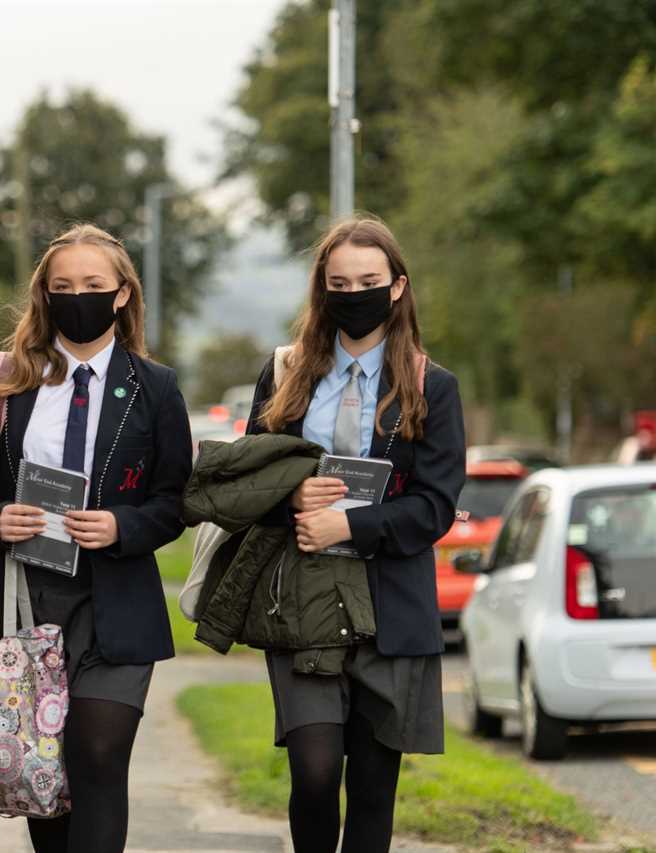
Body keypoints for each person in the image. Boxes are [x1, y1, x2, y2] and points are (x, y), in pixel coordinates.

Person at [0, 223, 193, 853]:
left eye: (92, 284)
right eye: (62, 286)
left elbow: (177, 498)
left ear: (122, 295)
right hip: (27, 596)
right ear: (43, 296)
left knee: (100, 755)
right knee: (41, 765)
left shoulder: (156, 388)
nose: (76, 295)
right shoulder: (1, 381)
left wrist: (123, 525)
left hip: (117, 604)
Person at [247, 216, 465, 853]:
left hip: (389, 606)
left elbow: (435, 509)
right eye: (339, 282)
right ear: (322, 288)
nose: (354, 293)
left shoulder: (433, 388)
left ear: (396, 287)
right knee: (314, 774)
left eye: (368, 281)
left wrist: (352, 522)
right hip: (302, 599)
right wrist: (288, 493)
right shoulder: (285, 372)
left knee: (372, 789)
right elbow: (245, 480)